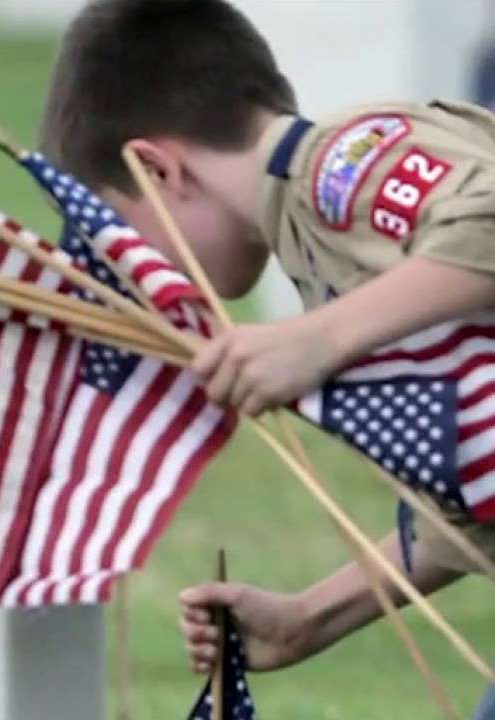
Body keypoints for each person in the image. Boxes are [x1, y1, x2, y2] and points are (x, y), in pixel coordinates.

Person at [39, 0, 495, 714]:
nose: (139, 278)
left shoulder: (342, 169)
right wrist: (311, 617)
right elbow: (476, 488)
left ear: (156, 169)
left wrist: (322, 339)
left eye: (125, 241)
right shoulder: (319, 247)